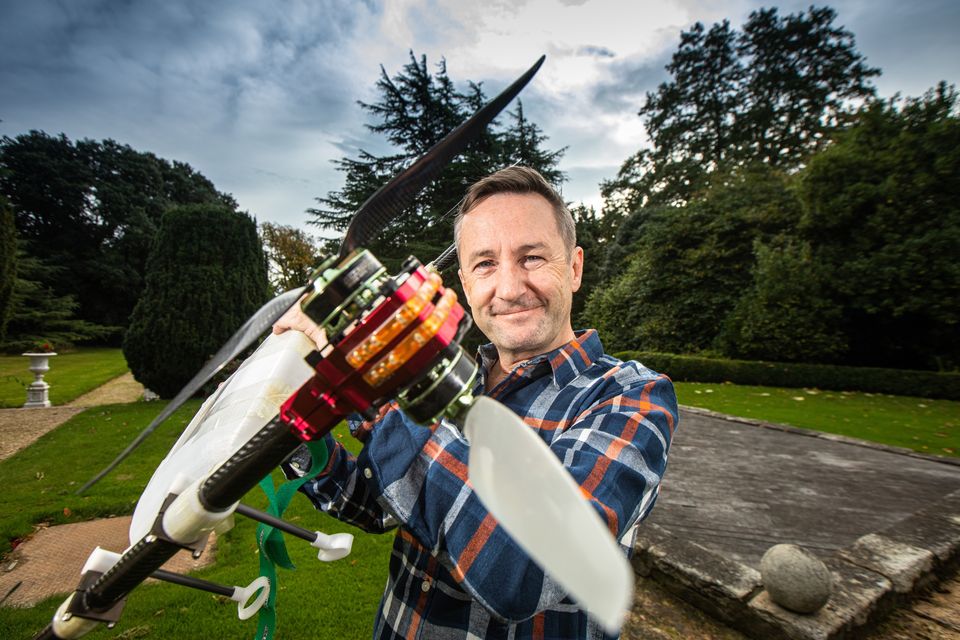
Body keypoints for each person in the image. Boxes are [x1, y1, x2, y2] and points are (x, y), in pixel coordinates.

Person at [274, 166, 678, 639]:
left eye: (532, 257)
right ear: (465, 283)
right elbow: (377, 502)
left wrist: (378, 377)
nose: (508, 288)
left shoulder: (630, 395)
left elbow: (523, 570)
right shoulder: (453, 379)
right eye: (485, 264)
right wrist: (290, 431)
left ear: (574, 268)